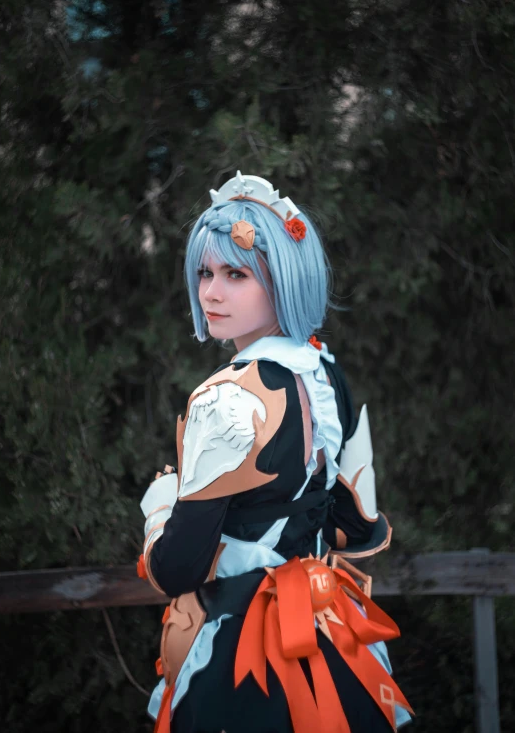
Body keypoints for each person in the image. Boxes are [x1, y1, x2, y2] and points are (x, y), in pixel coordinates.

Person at [137, 172, 413, 733]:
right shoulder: (325, 375)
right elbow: (359, 528)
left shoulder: (226, 398)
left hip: (244, 655)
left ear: (284, 281)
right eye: (204, 273)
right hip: (327, 631)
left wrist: (159, 508)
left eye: (236, 274)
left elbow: (176, 569)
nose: (210, 293)